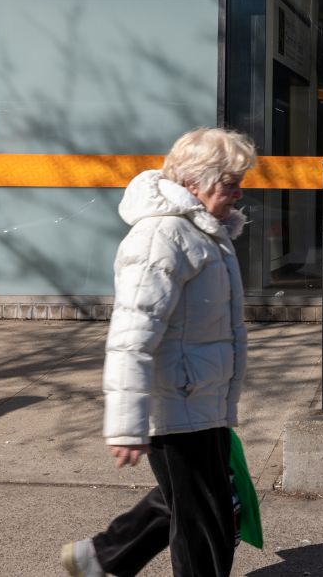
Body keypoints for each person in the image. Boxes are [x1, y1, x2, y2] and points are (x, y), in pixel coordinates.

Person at [61, 127, 255, 577]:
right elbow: (132, 336)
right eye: (230, 183)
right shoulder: (161, 237)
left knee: (193, 503)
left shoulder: (203, 232)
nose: (239, 192)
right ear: (194, 183)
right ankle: (103, 556)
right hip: (178, 400)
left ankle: (102, 557)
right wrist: (126, 425)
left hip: (198, 396)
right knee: (205, 524)